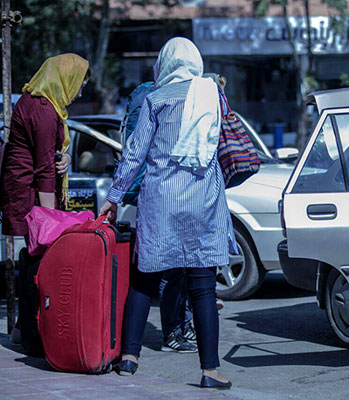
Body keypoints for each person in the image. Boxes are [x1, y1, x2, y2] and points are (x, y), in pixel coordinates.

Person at [99, 37, 235, 389]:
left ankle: (129, 358)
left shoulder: (156, 99)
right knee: (203, 287)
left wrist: (114, 195)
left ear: (164, 64)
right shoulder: (212, 93)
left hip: (161, 201)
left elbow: (135, 153)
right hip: (203, 201)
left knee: (145, 279)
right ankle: (210, 371)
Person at [0, 53, 90, 346]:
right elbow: (42, 169)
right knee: (37, 263)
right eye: (78, 84)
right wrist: (51, 222)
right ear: (64, 79)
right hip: (30, 195)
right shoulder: (43, 111)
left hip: (29, 191)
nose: (79, 92)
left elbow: (49, 156)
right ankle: (29, 331)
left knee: (33, 259)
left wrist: (63, 158)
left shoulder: (40, 102)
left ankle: (23, 327)